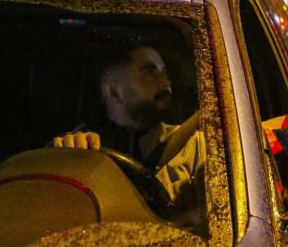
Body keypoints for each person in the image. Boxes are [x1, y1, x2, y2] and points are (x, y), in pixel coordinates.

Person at [54, 44, 205, 224]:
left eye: (164, 72)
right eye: (150, 72)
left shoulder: (194, 144)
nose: (165, 81)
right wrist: (65, 155)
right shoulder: (84, 148)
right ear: (113, 91)